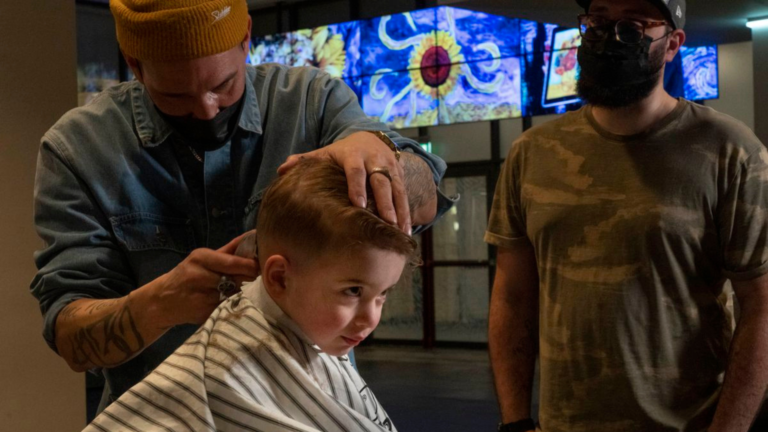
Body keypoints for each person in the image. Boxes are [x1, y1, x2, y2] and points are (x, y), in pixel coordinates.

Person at [31, 0, 451, 414]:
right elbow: (71, 337)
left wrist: (380, 155)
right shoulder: (78, 149)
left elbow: (425, 197)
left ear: (246, 36)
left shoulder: (312, 103)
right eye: (175, 95)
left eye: (223, 85)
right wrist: (163, 301)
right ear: (135, 64)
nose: (206, 109)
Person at [486, 0, 768, 431]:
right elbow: (512, 297)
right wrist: (516, 420)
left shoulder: (729, 150)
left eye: (633, 27)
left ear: (672, 45)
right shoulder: (532, 153)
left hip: (688, 421)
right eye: (598, 21)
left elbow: (762, 307)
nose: (609, 37)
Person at [81, 159, 413, 432]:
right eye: (353, 291)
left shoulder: (313, 330)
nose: (372, 318)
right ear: (279, 278)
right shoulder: (224, 373)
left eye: (382, 294)